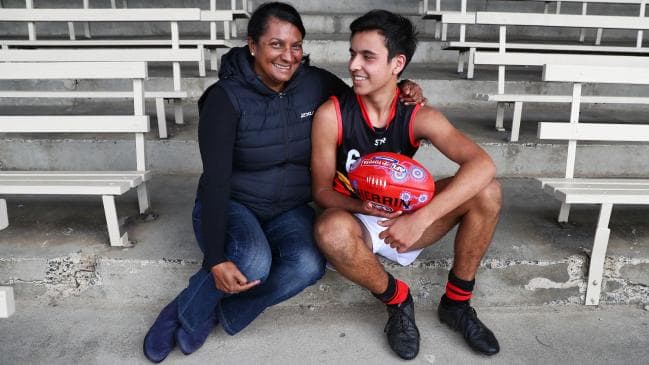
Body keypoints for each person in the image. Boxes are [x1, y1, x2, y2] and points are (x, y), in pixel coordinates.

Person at [142, 3, 425, 362]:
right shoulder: (225, 99)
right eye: (276, 44)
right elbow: (215, 182)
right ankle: (182, 314)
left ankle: (223, 312)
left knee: (308, 265)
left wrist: (405, 88)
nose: (288, 56)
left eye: (296, 46)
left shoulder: (315, 83)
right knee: (253, 260)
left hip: (288, 208)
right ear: (253, 45)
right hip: (234, 202)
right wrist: (214, 258)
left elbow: (366, 96)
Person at [310, 10, 502, 360]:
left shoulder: (417, 113)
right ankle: (398, 300)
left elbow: (483, 164)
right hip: (359, 220)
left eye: (368, 56)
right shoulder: (332, 114)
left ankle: (457, 304)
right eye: (352, 53)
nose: (354, 65)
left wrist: (421, 218)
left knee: (487, 191)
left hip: (411, 216)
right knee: (330, 231)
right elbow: (321, 191)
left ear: (397, 63)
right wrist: (360, 206)